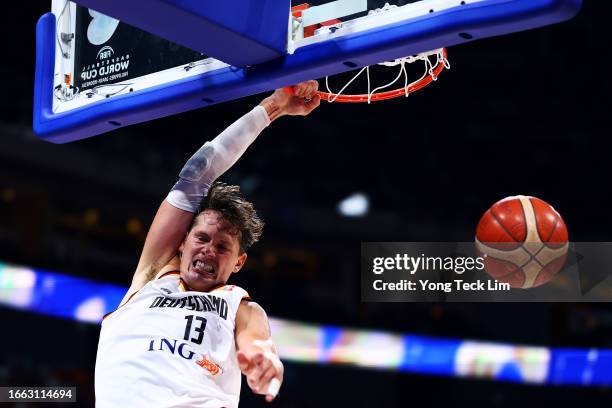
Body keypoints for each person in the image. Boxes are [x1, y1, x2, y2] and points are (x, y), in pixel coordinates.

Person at [94, 81, 321, 407]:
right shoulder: (154, 275)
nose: (208, 250)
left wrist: (263, 358)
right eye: (201, 238)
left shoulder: (240, 308)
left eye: (222, 247)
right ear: (183, 243)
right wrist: (273, 108)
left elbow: (258, 342)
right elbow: (197, 174)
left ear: (238, 263)